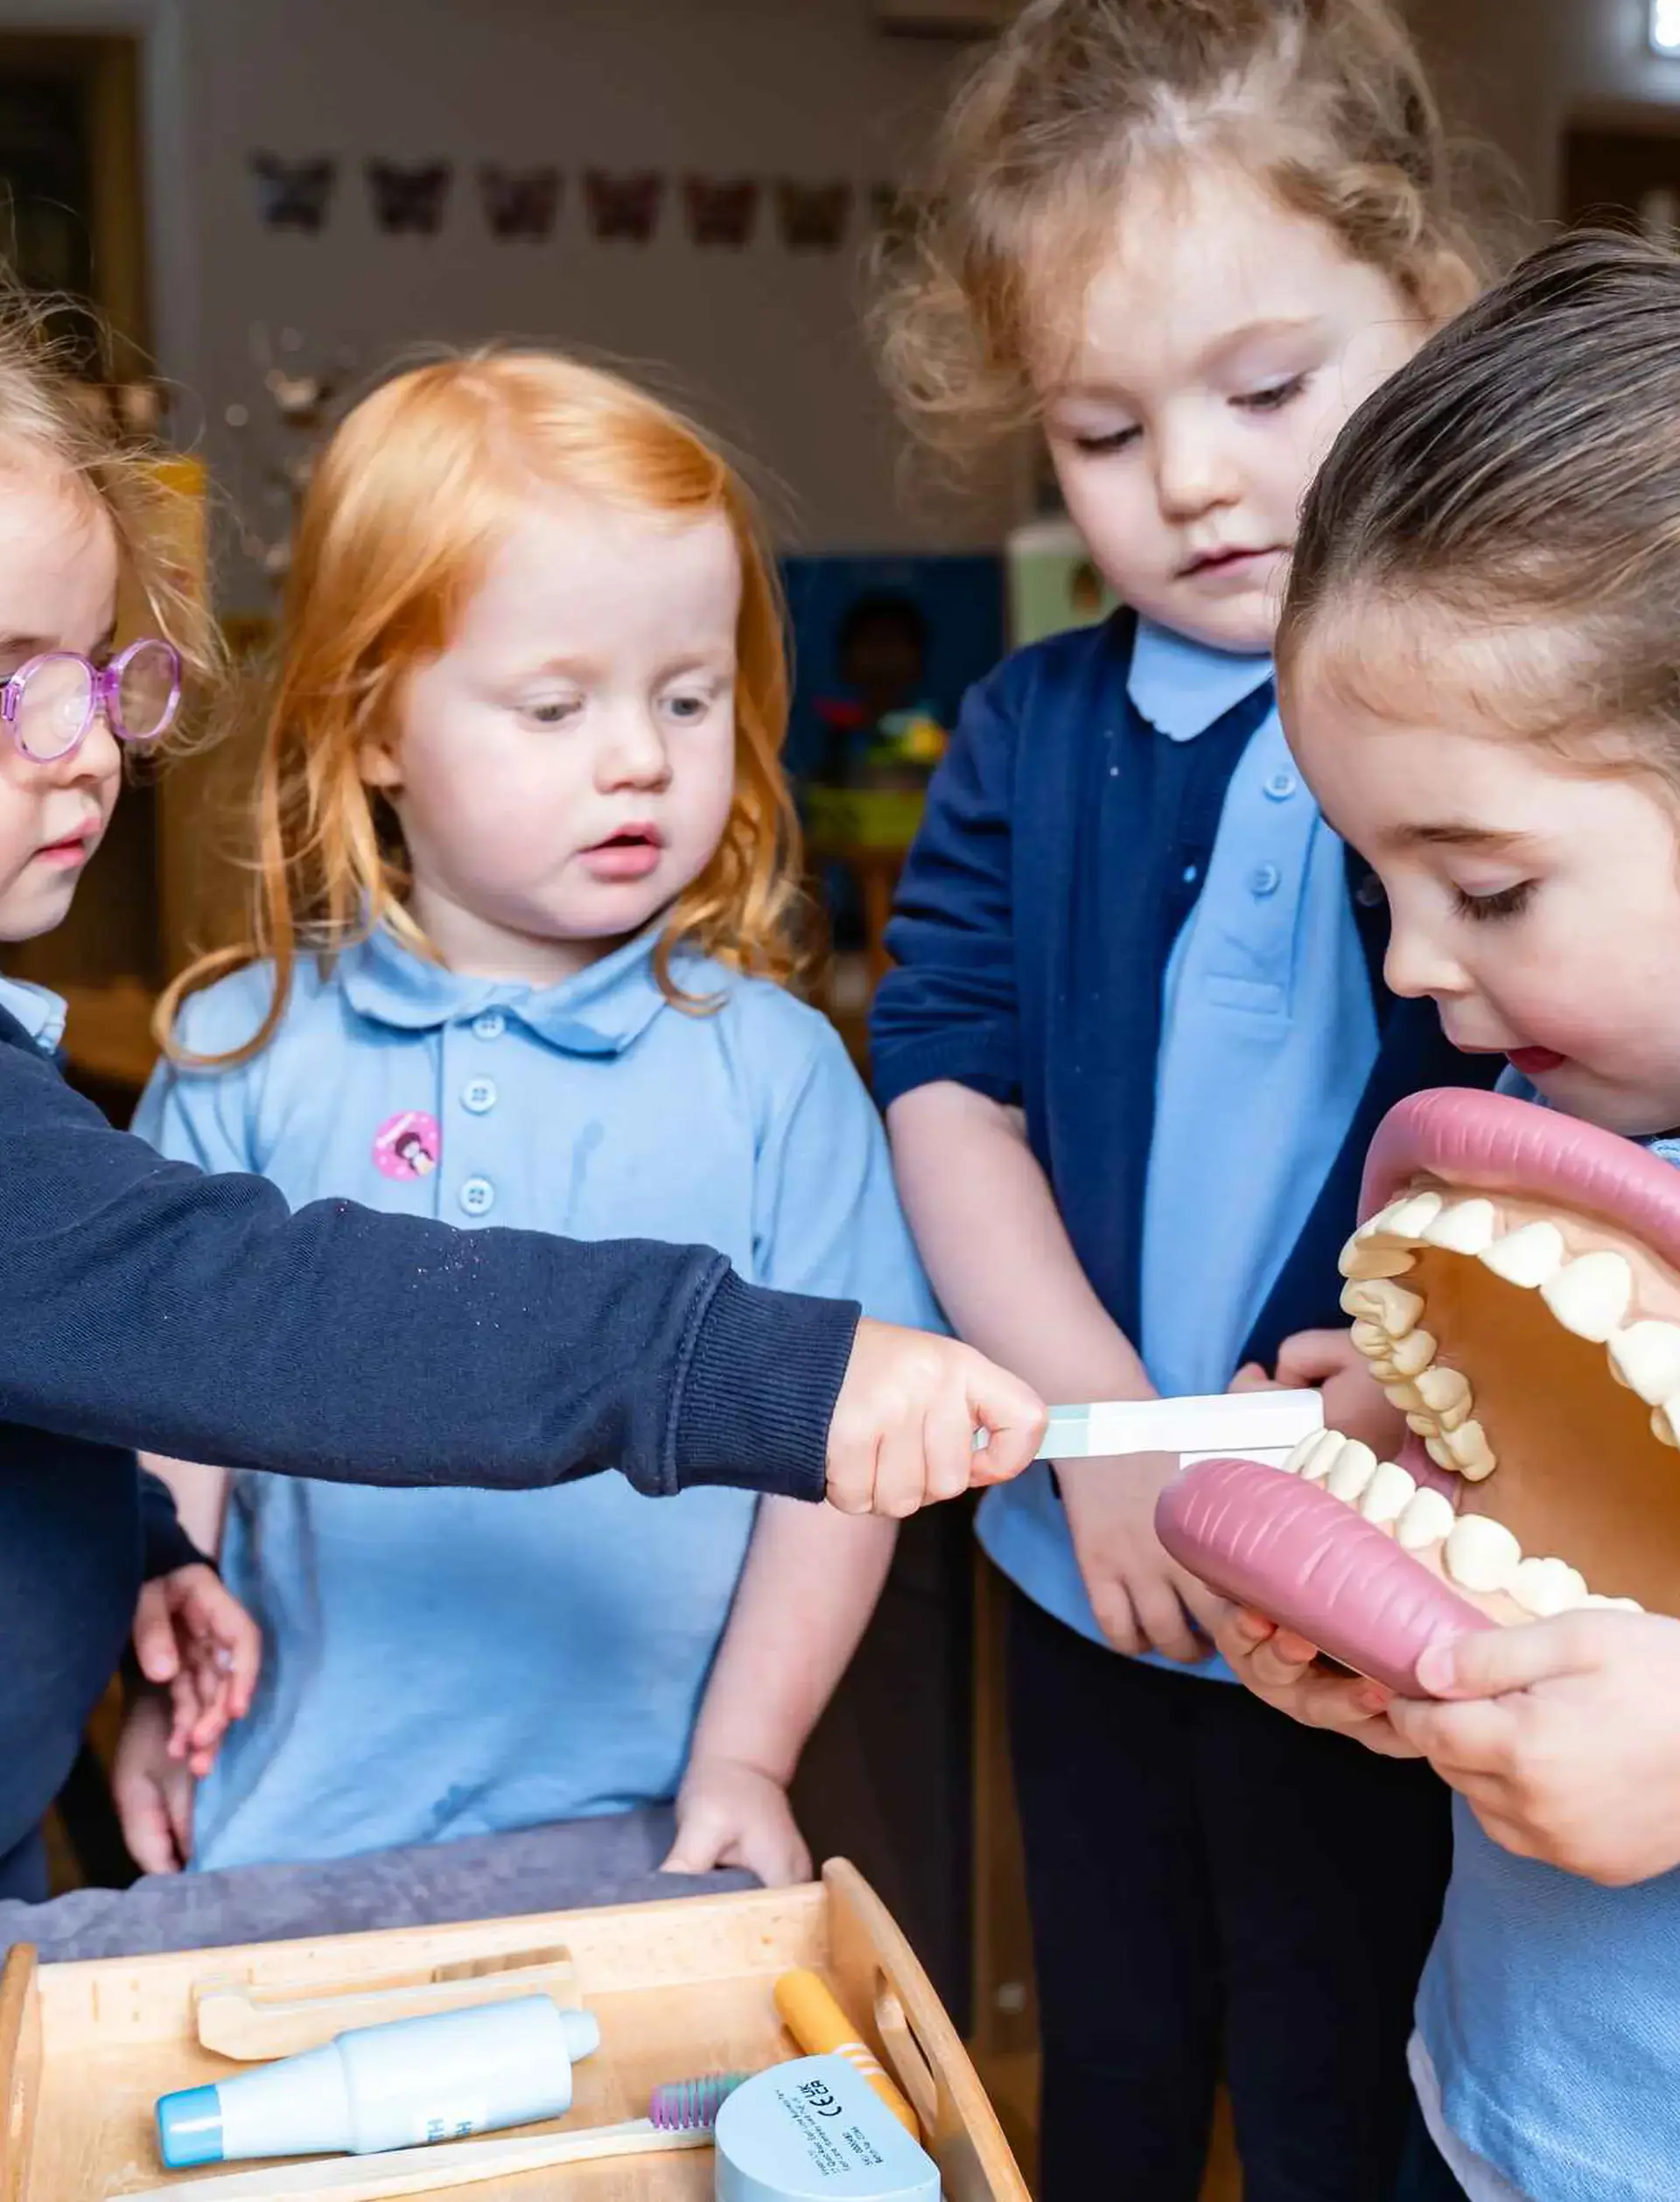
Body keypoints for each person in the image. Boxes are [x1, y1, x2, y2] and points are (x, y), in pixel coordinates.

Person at [0, 314, 1045, 1904]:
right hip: (290, 1812)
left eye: (689, 701)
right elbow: (185, 1372)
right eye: (556, 710)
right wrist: (172, 1670)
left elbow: (833, 1479)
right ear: (370, 730)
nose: (636, 760)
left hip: (638, 1827)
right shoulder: (241, 1040)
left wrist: (748, 1759)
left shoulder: (777, 1073)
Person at [869, 2, 1508, 2192]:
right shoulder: (1028, 730)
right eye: (1105, 429)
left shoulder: (1493, 720)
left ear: (1426, 316)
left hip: (1386, 1580)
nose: (1202, 481)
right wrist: (1111, 1437)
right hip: (1090, 1557)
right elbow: (945, 1078)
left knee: (1358, 2080)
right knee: (1123, 2055)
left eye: (1266, 389)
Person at [1220, 228, 1680, 2202]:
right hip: (1500, 2109)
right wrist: (1433, 1485)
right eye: (1375, 884)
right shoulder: (1539, 1124)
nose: (1415, 967)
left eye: (1488, 891)